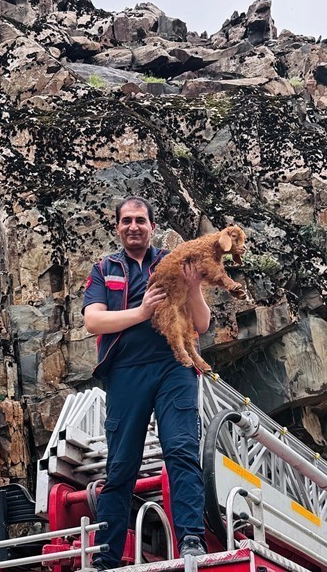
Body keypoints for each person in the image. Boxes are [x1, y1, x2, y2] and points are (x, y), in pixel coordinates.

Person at [81, 195, 210, 569]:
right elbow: (94, 322)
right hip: (125, 372)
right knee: (121, 466)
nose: (134, 226)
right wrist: (141, 311)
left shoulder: (174, 262)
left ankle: (191, 540)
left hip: (175, 365)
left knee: (182, 450)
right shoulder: (105, 269)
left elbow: (201, 325)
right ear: (117, 227)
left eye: (140, 220)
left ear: (153, 226)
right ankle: (106, 557)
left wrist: (195, 286)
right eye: (127, 221)